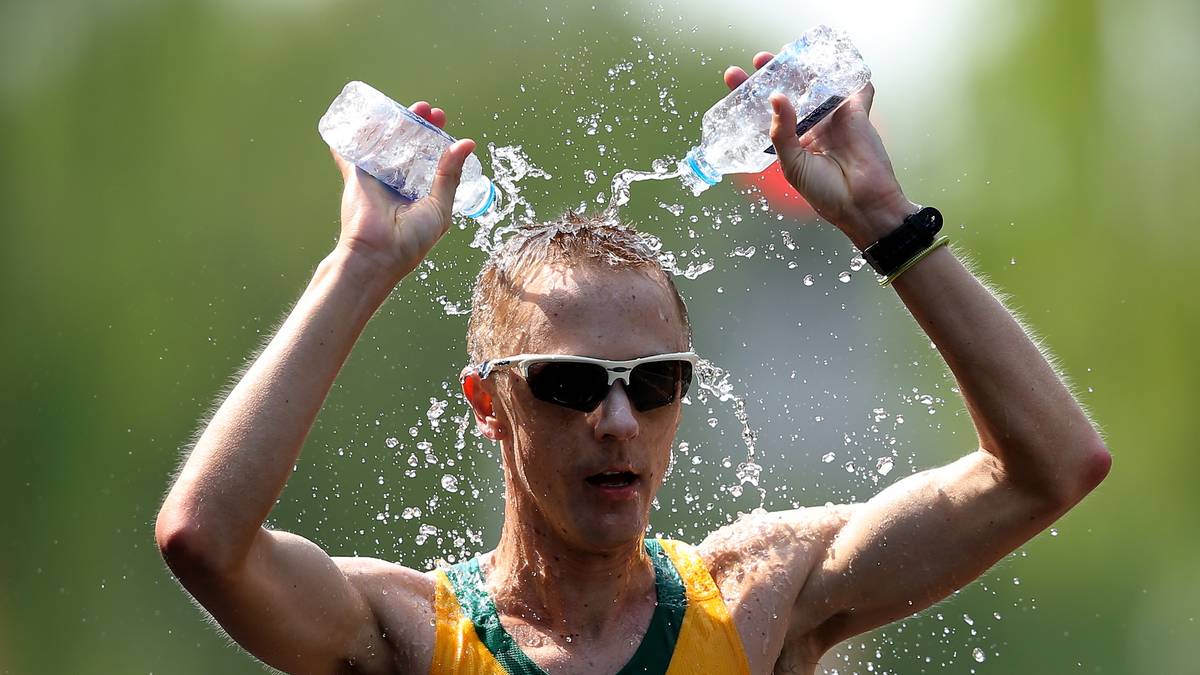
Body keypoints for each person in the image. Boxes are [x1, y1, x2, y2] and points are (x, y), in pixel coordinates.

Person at [156, 50, 1110, 675]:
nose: (617, 420)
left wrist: (883, 222)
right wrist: (360, 264)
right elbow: (205, 539)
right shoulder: (405, 635)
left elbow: (1052, 466)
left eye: (653, 383)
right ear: (489, 405)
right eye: (569, 384)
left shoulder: (758, 597)